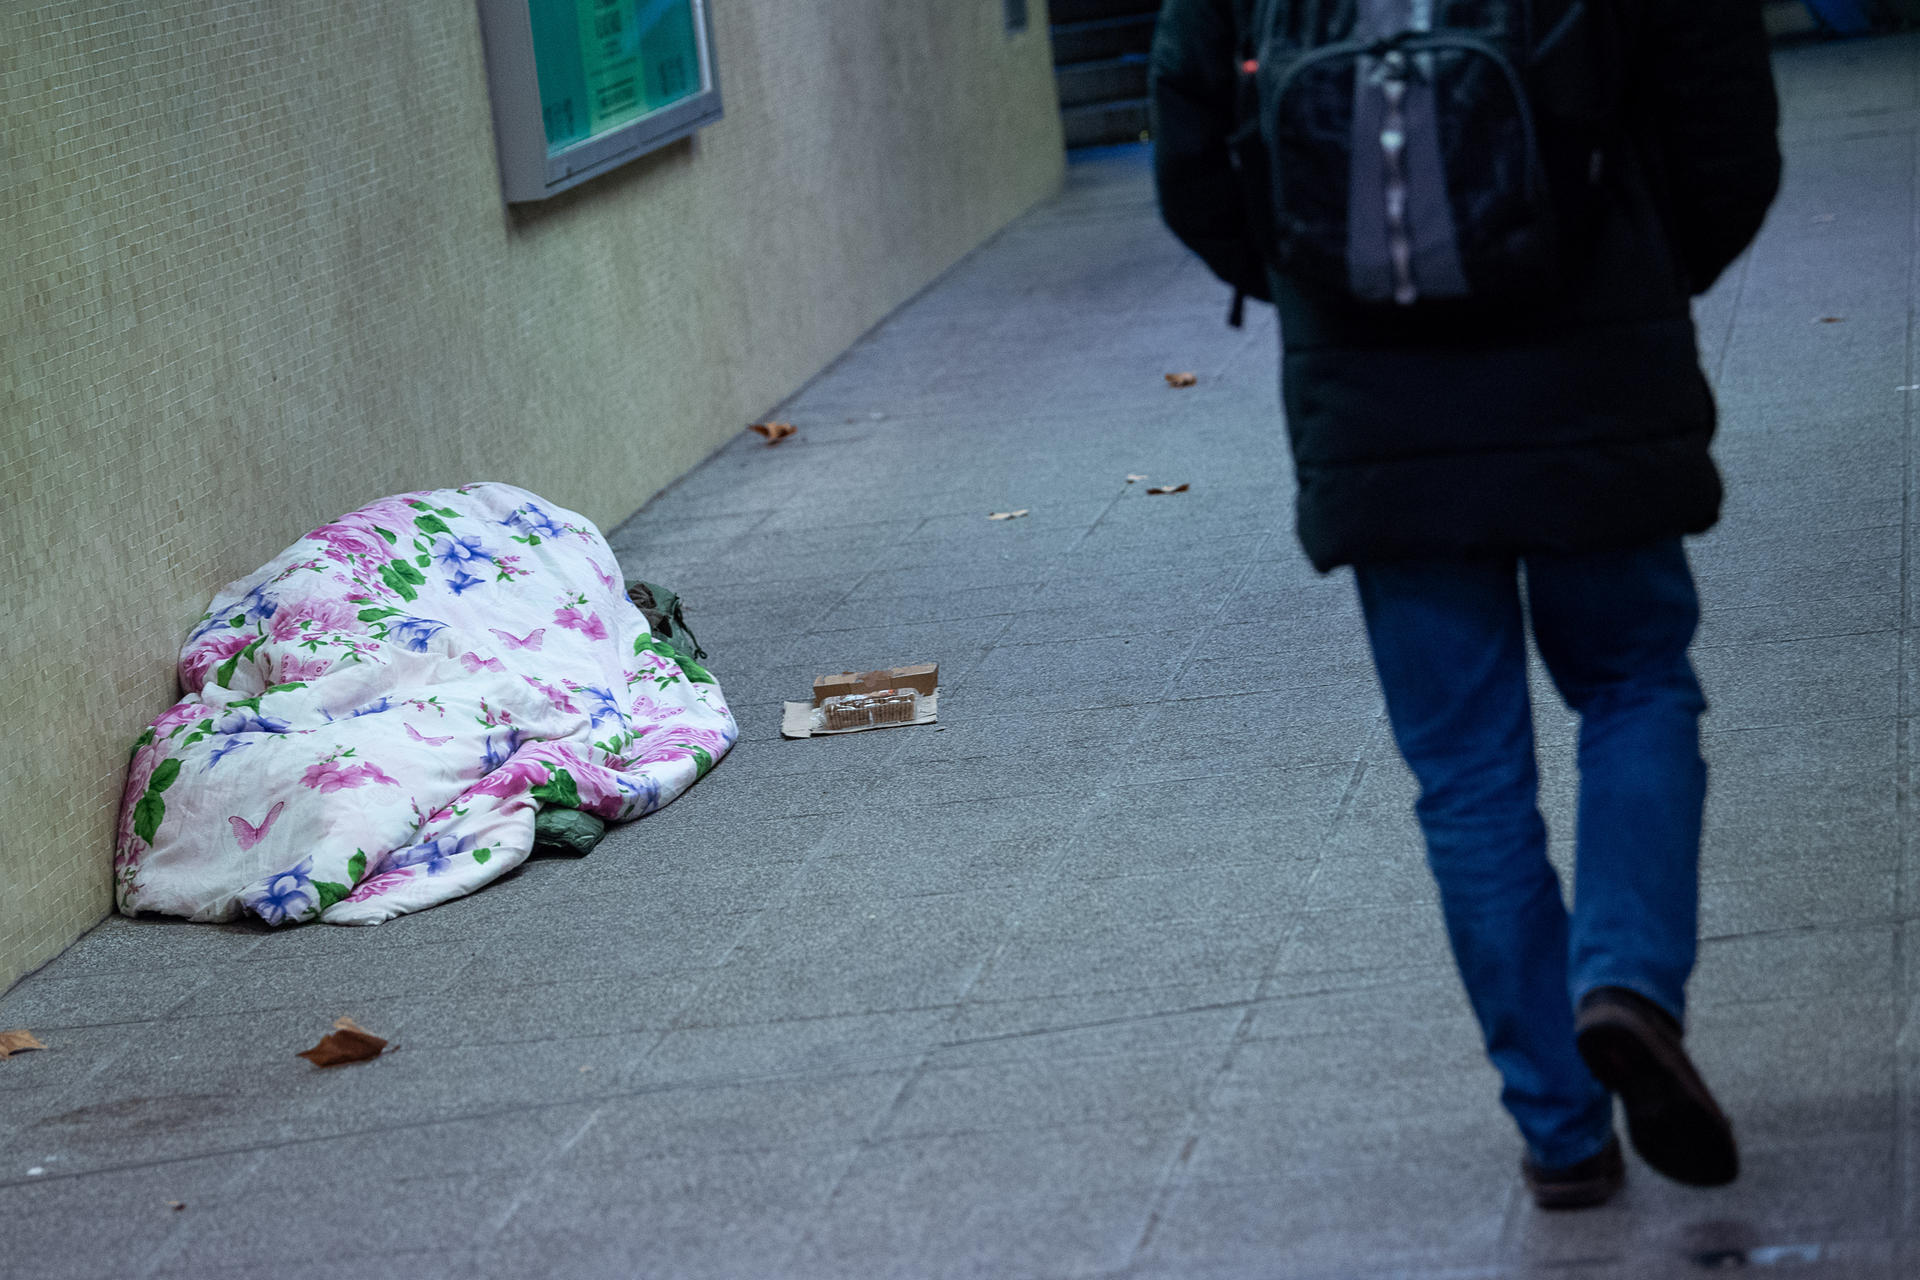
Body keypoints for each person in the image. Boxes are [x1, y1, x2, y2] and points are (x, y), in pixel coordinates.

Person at [1149, 0, 1781, 1208]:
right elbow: (1726, 121)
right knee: (1636, 679)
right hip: (1592, 355)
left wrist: (1332, 276)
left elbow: (1192, 152)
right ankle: (1628, 984)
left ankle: (1561, 1128)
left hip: (1377, 398)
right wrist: (1628, 255)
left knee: (1467, 773)